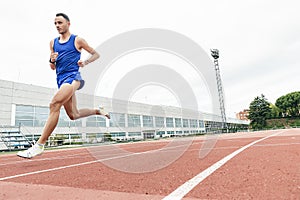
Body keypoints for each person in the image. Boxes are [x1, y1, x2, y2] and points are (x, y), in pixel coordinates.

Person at [17, 13, 110, 158]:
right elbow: (52, 67)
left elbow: (96, 54)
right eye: (55, 23)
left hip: (73, 78)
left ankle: (39, 145)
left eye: (60, 22)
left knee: (54, 104)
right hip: (61, 80)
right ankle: (98, 110)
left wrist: (85, 62)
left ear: (68, 23)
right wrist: (51, 60)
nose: (57, 26)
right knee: (74, 115)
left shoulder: (77, 40)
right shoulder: (53, 43)